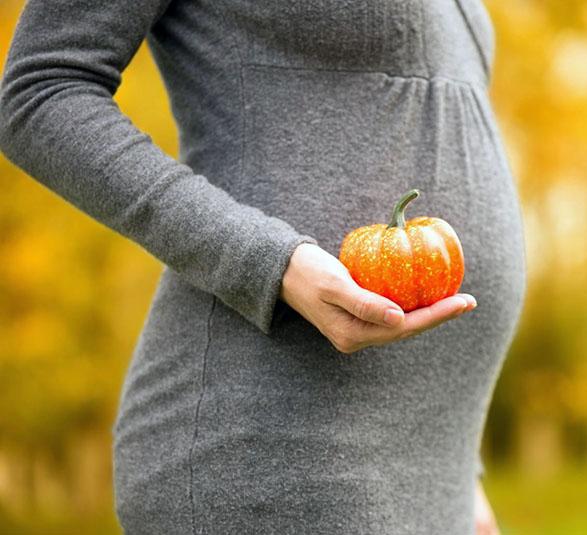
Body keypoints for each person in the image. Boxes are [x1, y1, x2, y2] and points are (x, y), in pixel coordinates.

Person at [0, 0, 526, 533]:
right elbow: (41, 91)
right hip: (279, 453)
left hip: (435, 471)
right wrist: (272, 262)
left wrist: (461, 476)